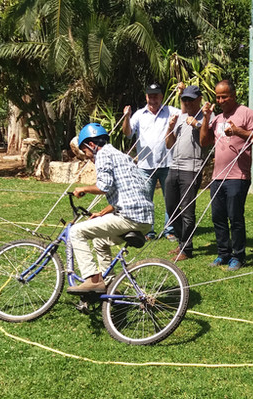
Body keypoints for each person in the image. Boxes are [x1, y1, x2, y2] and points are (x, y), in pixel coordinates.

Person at [67, 123, 154, 293]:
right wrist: (102, 213)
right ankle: (111, 286)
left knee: (76, 232)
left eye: (85, 152)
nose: (88, 157)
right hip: (144, 219)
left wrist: (83, 188)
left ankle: (92, 280)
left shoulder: (103, 155)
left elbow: (104, 186)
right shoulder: (120, 155)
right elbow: (127, 192)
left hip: (129, 218)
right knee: (100, 242)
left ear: (91, 145)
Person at [199, 79, 253, 270]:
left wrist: (237, 131)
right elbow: (204, 141)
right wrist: (206, 118)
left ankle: (238, 256)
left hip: (238, 176)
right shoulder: (217, 118)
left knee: (235, 217)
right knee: (218, 216)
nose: (220, 100)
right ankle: (223, 254)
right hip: (218, 177)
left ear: (233, 95)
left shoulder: (247, 114)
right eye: (217, 97)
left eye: (224, 96)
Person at [123, 82, 175, 241]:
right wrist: (126, 117)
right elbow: (128, 134)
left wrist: (180, 92)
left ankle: (170, 230)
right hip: (145, 166)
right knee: (145, 200)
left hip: (167, 163)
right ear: (146, 97)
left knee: (170, 200)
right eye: (150, 96)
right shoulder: (139, 114)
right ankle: (148, 231)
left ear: (161, 97)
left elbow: (185, 113)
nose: (153, 99)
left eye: (156, 96)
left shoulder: (171, 111)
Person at [164, 84, 205, 261]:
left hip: (192, 168)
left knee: (187, 210)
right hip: (175, 166)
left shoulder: (206, 118)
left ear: (199, 100)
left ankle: (187, 249)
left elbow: (206, 139)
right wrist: (170, 127)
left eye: (190, 99)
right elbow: (169, 144)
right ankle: (182, 242)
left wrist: (196, 124)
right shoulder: (180, 118)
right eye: (184, 99)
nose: (187, 103)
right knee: (171, 207)